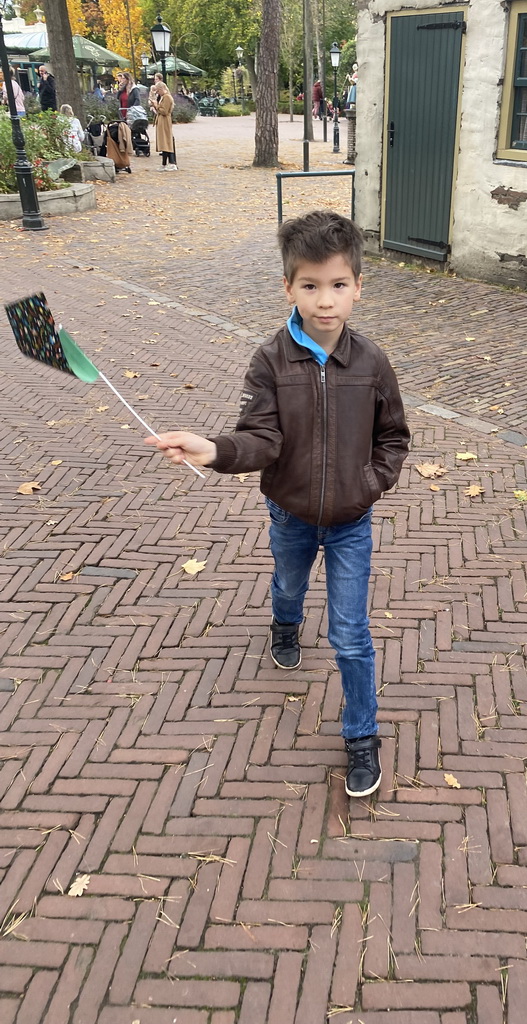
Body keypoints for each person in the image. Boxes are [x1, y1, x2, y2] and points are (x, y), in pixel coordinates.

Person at [144, 210, 410, 798]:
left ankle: (361, 736)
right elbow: (260, 437)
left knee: (351, 635)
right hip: (290, 512)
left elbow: (394, 435)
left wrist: (371, 482)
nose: (325, 301)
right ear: (289, 287)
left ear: (358, 286)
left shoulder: (371, 363)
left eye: (338, 285)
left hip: (350, 522)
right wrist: (212, 449)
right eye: (310, 286)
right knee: (288, 585)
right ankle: (284, 626)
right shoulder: (270, 361)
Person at [152, 81, 176, 170]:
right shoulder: (164, 97)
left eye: (158, 91)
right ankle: (164, 163)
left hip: (165, 121)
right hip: (161, 121)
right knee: (163, 142)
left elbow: (164, 111)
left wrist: (156, 106)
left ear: (162, 89)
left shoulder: (167, 98)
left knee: (166, 141)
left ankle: (171, 163)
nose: (158, 93)